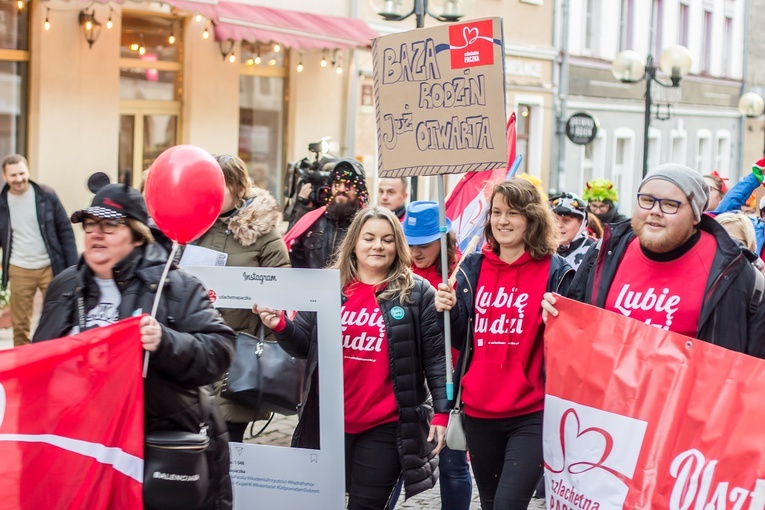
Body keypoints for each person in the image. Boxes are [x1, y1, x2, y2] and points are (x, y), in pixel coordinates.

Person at [32, 181, 236, 509]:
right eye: (90, 225)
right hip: (82, 448)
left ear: (137, 235)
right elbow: (39, 360)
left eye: (110, 225)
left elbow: (220, 350)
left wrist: (165, 342)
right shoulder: (65, 286)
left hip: (152, 450)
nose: (96, 233)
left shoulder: (175, 285)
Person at [255, 206, 449, 509]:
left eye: (387, 239)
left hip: (386, 423)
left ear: (397, 245)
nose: (377, 246)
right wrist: (280, 324)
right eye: (369, 237)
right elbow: (304, 346)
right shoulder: (326, 286)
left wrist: (441, 411)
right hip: (328, 421)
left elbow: (435, 357)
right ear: (354, 243)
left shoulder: (416, 291)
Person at [434, 179, 574, 510]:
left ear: (532, 218)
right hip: (479, 410)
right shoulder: (473, 268)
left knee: (508, 505)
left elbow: (572, 345)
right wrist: (449, 309)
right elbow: (458, 336)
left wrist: (558, 320)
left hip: (532, 411)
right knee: (491, 503)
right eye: (497, 212)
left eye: (513, 213)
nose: (503, 221)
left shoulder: (558, 272)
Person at [543, 163, 765, 358]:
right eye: (647, 201)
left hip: (688, 403)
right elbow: (576, 333)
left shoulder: (734, 271)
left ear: (697, 214)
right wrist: (555, 315)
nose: (655, 211)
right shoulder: (603, 254)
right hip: (607, 402)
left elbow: (750, 368)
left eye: (670, 204)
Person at [194, 154, 291, 442]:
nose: (211, 193)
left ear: (238, 187)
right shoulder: (192, 227)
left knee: (225, 442)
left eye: (220, 185)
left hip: (238, 357)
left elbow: (283, 287)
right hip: (196, 350)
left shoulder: (263, 233)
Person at [386, 200, 472, 510]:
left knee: (451, 460)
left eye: (424, 244)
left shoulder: (461, 272)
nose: (416, 251)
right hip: (406, 376)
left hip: (446, 376)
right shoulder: (396, 271)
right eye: (409, 243)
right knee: (392, 461)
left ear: (443, 239)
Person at [0, 154, 78, 346]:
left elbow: (65, 231)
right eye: (13, 175)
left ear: (28, 171)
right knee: (20, 326)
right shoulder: (2, 203)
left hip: (50, 266)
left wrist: (74, 267)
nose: (18, 179)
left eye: (21, 173)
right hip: (19, 268)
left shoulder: (46, 195)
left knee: (58, 317)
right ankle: (23, 368)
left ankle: (53, 360)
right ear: (4, 177)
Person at [288, 159, 369, 269]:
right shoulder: (312, 220)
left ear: (359, 189)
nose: (341, 189)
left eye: (348, 185)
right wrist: (303, 207)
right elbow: (293, 256)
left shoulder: (367, 224)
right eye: (337, 184)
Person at [550, 192, 596, 270]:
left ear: (582, 223)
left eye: (566, 221)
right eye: (556, 220)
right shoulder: (543, 248)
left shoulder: (595, 252)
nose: (558, 225)